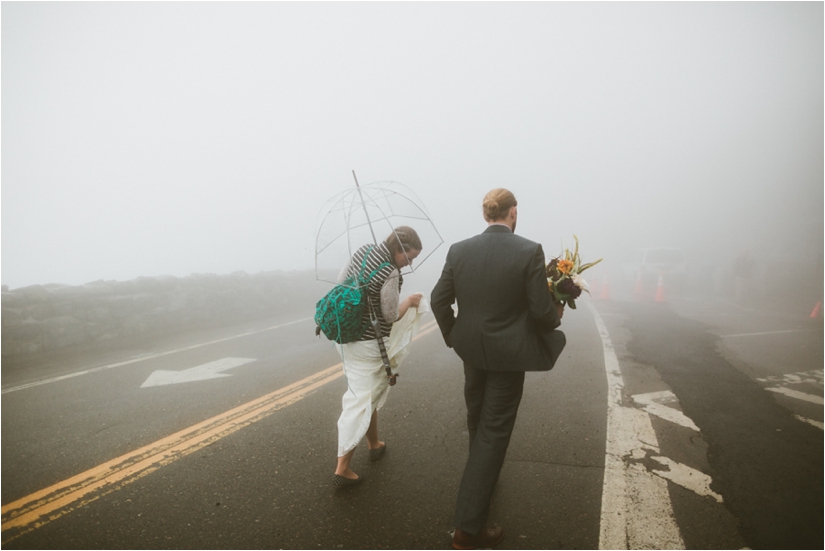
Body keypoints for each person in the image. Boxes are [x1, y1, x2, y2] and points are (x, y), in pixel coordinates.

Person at [431, 188, 566, 549]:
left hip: (471, 349)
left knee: (478, 417)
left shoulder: (459, 250)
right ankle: (467, 527)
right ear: (513, 213)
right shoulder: (528, 250)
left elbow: (438, 299)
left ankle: (483, 477)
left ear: (486, 214)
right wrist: (557, 312)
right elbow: (540, 312)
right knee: (494, 429)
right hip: (509, 355)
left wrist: (453, 334)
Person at [333, 226, 425, 487]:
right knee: (360, 399)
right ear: (398, 249)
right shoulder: (389, 271)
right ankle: (342, 468)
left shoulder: (363, 252)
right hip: (369, 344)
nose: (409, 264)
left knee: (367, 391)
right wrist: (409, 301)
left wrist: (362, 300)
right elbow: (391, 314)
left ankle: (374, 443)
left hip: (347, 336)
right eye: (409, 258)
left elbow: (342, 281)